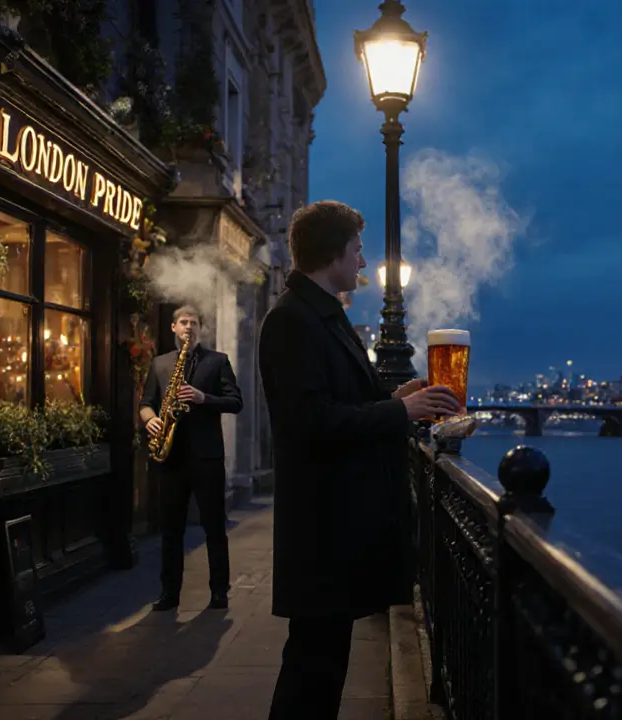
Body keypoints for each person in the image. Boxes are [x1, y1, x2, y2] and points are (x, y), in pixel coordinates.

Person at [258, 200, 461, 719]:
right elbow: (312, 422)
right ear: (333, 254)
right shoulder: (292, 322)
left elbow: (345, 401)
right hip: (324, 527)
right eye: (358, 251)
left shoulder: (319, 315)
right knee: (311, 672)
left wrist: (401, 397)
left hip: (335, 528)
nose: (364, 264)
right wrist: (401, 413)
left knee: (320, 667)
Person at [139, 305, 243, 611]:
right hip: (171, 456)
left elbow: (235, 402)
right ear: (173, 327)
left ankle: (219, 591)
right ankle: (169, 593)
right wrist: (149, 419)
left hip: (206, 457)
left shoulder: (217, 361)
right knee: (171, 530)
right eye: (183, 322)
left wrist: (203, 398)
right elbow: (146, 402)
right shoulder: (159, 364)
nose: (188, 327)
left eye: (194, 323)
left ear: (200, 328)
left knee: (214, 527)